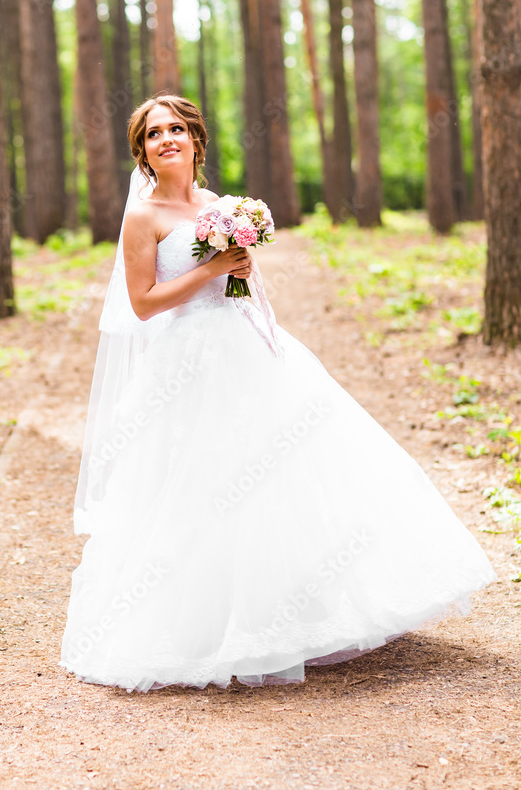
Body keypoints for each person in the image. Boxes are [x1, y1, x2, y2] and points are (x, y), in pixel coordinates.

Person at [60, 94, 496, 693]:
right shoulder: (145, 216)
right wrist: (211, 271)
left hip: (247, 346)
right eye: (154, 133)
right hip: (186, 361)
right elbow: (142, 303)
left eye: (177, 129)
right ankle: (206, 626)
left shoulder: (217, 206)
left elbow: (240, 280)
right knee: (202, 484)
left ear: (195, 142)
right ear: (142, 152)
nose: (167, 139)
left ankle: (301, 613)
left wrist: (238, 272)